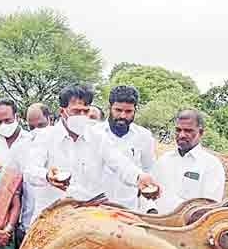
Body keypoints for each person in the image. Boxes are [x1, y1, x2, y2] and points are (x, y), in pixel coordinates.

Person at [25, 85, 159, 215]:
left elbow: (120, 164)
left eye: (86, 111)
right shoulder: (45, 137)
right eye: (76, 111)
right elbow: (30, 171)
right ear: (62, 112)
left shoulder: (98, 138)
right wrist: (47, 176)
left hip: (87, 218)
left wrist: (139, 177)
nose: (82, 115)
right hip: (52, 216)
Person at [88, 85, 156, 210]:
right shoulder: (93, 134)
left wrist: (149, 207)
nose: (123, 116)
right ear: (110, 108)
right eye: (118, 110)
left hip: (129, 210)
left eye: (128, 111)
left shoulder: (144, 136)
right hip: (96, 208)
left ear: (135, 110)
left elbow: (148, 171)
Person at [149, 109, 226, 214]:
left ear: (200, 132)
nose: (182, 135)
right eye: (178, 130)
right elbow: (150, 192)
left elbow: (209, 207)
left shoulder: (211, 165)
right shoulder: (164, 160)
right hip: (156, 224)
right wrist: (151, 210)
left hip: (188, 228)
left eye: (188, 131)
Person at [0, 99, 35, 247]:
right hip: (1, 217)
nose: (3, 125)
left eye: (7, 120)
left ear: (17, 117)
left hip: (30, 213)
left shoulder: (32, 141)